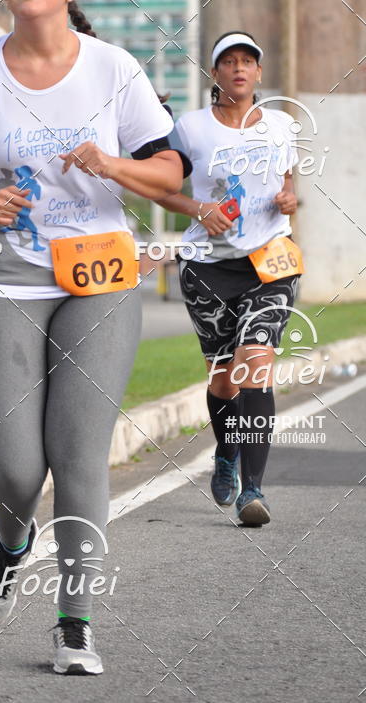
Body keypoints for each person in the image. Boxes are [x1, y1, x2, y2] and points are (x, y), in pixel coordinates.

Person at [0, 0, 184, 675]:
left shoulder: (113, 69)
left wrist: (113, 163)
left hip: (100, 278)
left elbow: (169, 171)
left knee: (78, 455)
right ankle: (9, 544)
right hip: (4, 276)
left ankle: (74, 624)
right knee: (13, 467)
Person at [156, 31, 303, 526]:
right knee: (223, 381)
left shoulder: (283, 125)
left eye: (248, 61)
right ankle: (226, 451)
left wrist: (289, 199)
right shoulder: (190, 128)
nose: (239, 69)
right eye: (229, 62)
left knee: (254, 367)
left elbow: (288, 180)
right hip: (207, 266)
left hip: (270, 263)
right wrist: (198, 207)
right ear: (215, 73)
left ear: (259, 72)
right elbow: (159, 186)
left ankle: (252, 491)